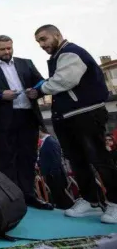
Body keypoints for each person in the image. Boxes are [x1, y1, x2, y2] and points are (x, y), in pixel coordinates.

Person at [34, 25, 116, 223]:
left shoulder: (71, 53)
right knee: (78, 160)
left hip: (85, 114)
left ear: (57, 35)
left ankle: (115, 202)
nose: (42, 45)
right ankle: (91, 200)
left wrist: (39, 89)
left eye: (44, 39)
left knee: (99, 159)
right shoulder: (59, 57)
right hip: (68, 116)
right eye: (38, 42)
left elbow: (64, 81)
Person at [0, 35, 53, 210]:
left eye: (9, 48)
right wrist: (1, 94)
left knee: (28, 157)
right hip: (1, 119)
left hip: (27, 116)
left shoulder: (26, 63)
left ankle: (29, 195)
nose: (6, 52)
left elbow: (42, 82)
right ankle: (9, 199)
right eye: (2, 49)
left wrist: (36, 91)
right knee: (5, 159)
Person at [38, 126, 75, 210]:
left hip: (55, 174)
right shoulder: (44, 141)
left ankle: (68, 207)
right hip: (49, 173)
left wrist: (53, 172)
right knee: (56, 195)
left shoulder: (50, 141)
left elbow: (56, 158)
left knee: (61, 195)